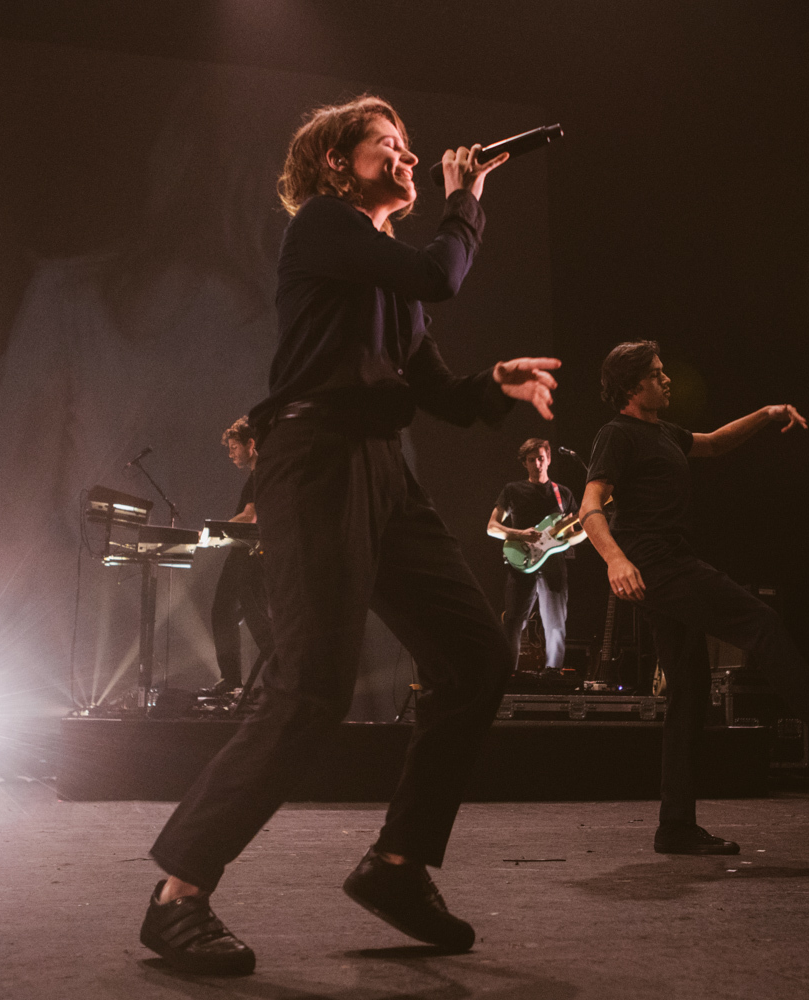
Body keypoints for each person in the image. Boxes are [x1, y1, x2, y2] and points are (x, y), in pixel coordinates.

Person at [139, 95, 562, 974]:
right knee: (312, 686)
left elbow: (437, 390)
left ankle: (398, 867)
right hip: (317, 457)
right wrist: (465, 196)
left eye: (412, 149)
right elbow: (441, 273)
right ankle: (177, 895)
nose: (409, 158)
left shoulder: (384, 278)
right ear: (338, 163)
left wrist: (496, 383)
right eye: (389, 147)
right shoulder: (324, 226)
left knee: (476, 659)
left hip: (383, 471)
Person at [579, 341, 809, 856]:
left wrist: (766, 413)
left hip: (664, 565)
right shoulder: (616, 434)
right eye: (658, 374)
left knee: (687, 694)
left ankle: (676, 826)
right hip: (658, 564)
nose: (667, 381)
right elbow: (591, 503)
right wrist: (616, 560)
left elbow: (712, 443)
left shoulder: (663, 433)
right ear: (631, 386)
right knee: (760, 622)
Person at [487, 438, 581, 672]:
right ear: (525, 463)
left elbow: (576, 533)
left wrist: (574, 537)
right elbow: (492, 527)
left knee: (556, 625)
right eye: (532, 460)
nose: (537, 463)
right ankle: (508, 677)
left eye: (541, 458)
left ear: (548, 459)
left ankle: (554, 677)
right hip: (520, 563)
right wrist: (519, 534)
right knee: (513, 623)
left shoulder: (563, 494)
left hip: (553, 565)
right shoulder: (513, 490)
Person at [207, 416, 274, 694]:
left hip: (251, 555)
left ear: (251, 444)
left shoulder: (264, 473)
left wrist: (211, 532)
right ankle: (232, 679)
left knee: (254, 613)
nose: (231, 453)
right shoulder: (255, 476)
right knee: (223, 611)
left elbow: (249, 517)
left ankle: (286, 669)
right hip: (242, 553)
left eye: (234, 447)